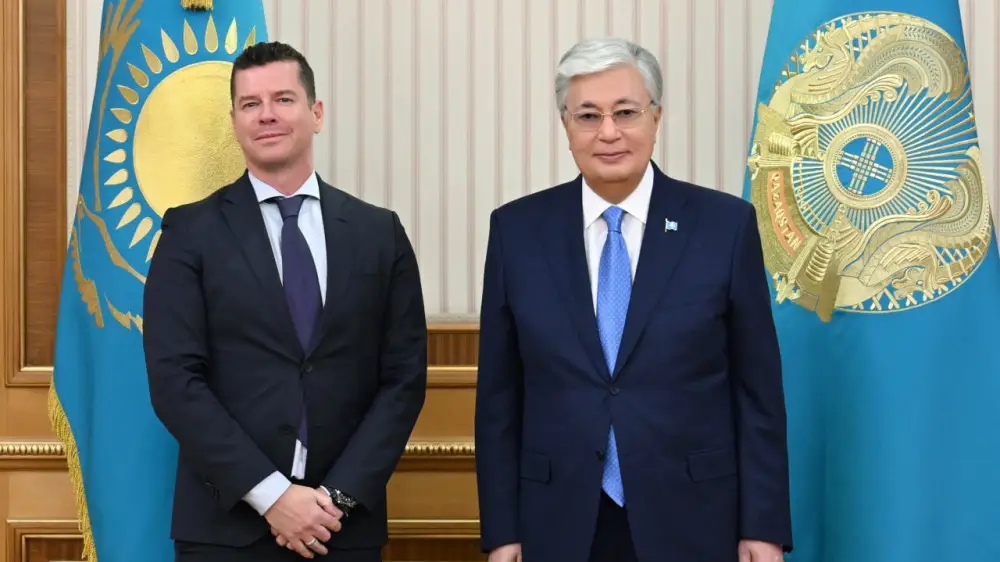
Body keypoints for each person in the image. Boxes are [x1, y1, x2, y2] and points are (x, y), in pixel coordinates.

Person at [474, 37, 793, 562]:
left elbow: (756, 392)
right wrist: (503, 532)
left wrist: (762, 527)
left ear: (656, 117)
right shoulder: (517, 230)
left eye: (626, 112)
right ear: (565, 125)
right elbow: (498, 399)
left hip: (695, 516)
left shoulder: (724, 226)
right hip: (557, 519)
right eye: (588, 116)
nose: (608, 132)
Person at [143, 41, 427, 562]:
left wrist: (335, 500)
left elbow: (403, 379)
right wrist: (272, 496)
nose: (267, 114)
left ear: (316, 113)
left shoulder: (378, 233)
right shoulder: (189, 232)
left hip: (342, 527)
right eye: (250, 104)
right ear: (234, 122)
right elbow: (175, 380)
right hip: (225, 531)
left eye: (283, 99)